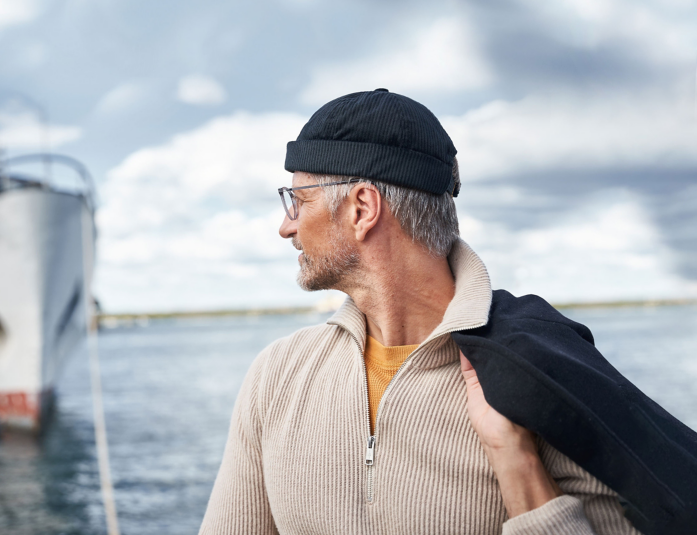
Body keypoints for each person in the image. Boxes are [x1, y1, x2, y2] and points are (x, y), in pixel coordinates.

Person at [199, 89, 641, 534]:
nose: (286, 226)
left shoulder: (537, 372)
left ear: (362, 208)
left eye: (300, 200)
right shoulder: (277, 375)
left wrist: (518, 462)